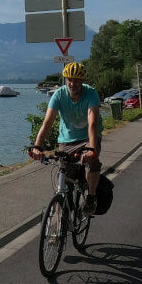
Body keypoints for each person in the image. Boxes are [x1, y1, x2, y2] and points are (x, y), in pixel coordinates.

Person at [29, 61, 102, 216]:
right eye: (69, 79)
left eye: (76, 80)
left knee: (92, 163)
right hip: (67, 140)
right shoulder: (59, 95)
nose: (72, 83)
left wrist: (92, 149)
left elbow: (93, 124)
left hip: (88, 139)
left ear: (82, 81)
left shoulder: (91, 94)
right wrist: (37, 146)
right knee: (64, 176)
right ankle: (63, 215)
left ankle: (91, 197)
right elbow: (47, 123)